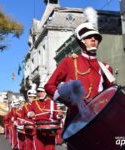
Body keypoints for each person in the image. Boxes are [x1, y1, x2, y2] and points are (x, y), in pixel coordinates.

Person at [45, 7, 115, 148]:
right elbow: (49, 86)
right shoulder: (69, 62)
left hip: (98, 120)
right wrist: (68, 100)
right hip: (76, 119)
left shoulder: (106, 68)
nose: (94, 40)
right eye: (89, 37)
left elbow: (110, 95)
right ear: (82, 41)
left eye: (96, 38)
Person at [28, 84, 63, 150]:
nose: (40, 93)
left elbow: (56, 116)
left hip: (50, 130)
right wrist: (30, 113)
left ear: (46, 93)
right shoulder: (34, 103)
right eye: (38, 92)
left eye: (42, 92)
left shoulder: (52, 103)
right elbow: (29, 112)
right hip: (38, 130)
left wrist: (59, 114)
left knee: (50, 148)